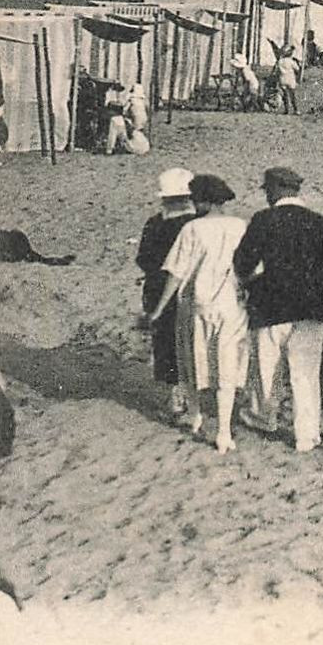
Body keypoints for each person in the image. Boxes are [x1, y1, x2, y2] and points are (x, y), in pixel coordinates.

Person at [233, 167, 323, 454]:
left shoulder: (263, 220)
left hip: (270, 304)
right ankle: (306, 434)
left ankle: (263, 417)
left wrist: (253, 282)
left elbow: (242, 262)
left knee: (267, 367)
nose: (266, 195)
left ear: (276, 189)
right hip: (309, 308)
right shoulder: (318, 222)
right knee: (305, 373)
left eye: (267, 189)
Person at [147, 174, 248, 454]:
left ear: (202, 201)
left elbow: (177, 273)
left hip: (196, 305)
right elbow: (251, 267)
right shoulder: (241, 226)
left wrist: (157, 310)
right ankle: (224, 432)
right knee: (226, 366)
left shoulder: (192, 230)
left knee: (192, 361)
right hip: (232, 306)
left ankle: (195, 416)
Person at [136, 167, 197, 418]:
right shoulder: (199, 223)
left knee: (167, 341)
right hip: (195, 289)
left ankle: (176, 392)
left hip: (161, 289)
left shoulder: (155, 224)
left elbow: (144, 259)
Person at [274, 47, 300, 115]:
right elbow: (297, 69)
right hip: (291, 79)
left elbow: (276, 71)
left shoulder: (280, 61)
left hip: (282, 78)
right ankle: (296, 109)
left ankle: (286, 110)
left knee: (285, 95)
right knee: (292, 95)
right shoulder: (291, 61)